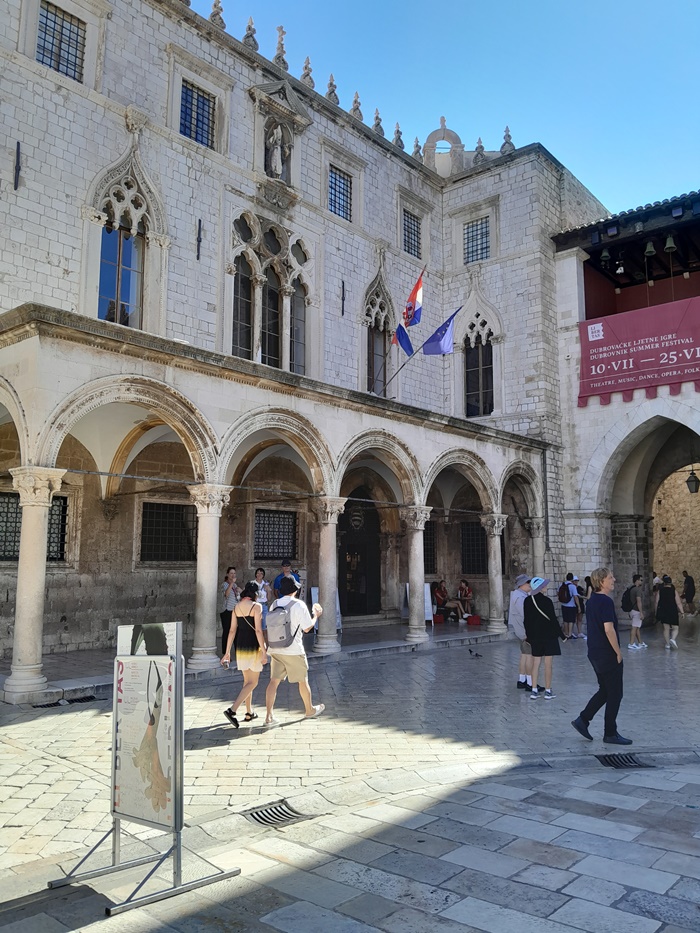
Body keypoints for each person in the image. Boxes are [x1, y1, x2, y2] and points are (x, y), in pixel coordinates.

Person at [571, 566, 631, 745]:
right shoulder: (605, 602)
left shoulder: (592, 601)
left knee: (605, 690)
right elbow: (608, 629)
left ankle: (583, 720)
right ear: (602, 581)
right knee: (615, 694)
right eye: (611, 578)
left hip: (595, 652)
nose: (614, 580)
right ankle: (610, 733)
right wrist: (618, 652)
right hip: (607, 654)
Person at [265, 576, 324, 725]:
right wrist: (315, 616)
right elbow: (307, 628)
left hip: (275, 648)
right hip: (294, 649)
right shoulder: (299, 605)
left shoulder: (274, 604)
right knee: (303, 681)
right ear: (295, 590)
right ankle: (309, 710)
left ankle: (268, 716)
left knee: (273, 682)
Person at [220, 582, 268, 727]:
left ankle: (249, 712)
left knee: (247, 682)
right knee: (253, 682)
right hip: (253, 646)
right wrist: (264, 651)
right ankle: (232, 710)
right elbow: (258, 631)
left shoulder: (236, 607)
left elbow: (232, 631)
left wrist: (227, 652)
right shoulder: (256, 606)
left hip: (240, 646)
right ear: (255, 594)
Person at [523, 577, 566, 700]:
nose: (546, 587)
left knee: (536, 663)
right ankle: (547, 690)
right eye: (544, 585)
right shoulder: (547, 601)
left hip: (535, 636)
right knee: (548, 664)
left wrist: (529, 637)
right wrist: (562, 636)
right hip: (549, 636)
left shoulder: (527, 601)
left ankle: (534, 690)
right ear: (540, 588)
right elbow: (553, 620)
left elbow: (526, 621)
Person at [508, 574, 539, 691]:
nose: (530, 585)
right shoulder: (520, 597)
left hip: (521, 629)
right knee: (529, 656)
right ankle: (530, 683)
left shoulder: (518, 595)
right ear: (521, 585)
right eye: (528, 583)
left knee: (524, 655)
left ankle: (522, 680)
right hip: (524, 630)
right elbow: (525, 614)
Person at [655, 574, 683, 650]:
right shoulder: (674, 591)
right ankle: (673, 639)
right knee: (675, 627)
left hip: (663, 610)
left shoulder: (660, 591)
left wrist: (656, 611)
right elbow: (678, 603)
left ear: (664, 583)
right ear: (671, 583)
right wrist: (682, 612)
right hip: (672, 610)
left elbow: (656, 602)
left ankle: (667, 644)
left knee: (666, 628)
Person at [220, 566, 239, 656]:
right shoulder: (225, 584)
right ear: (227, 574)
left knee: (236, 632)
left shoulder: (235, 585)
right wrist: (231, 583)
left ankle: (237, 653)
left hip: (234, 611)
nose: (233, 575)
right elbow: (226, 594)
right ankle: (225, 653)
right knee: (227, 631)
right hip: (226, 610)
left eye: (234, 573)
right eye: (231, 573)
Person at [627, 573, 646, 649]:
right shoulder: (637, 590)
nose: (642, 581)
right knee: (634, 627)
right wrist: (641, 612)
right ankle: (631, 644)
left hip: (631, 610)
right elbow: (639, 601)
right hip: (636, 611)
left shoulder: (631, 588)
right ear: (637, 580)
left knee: (637, 627)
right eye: (641, 580)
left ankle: (640, 643)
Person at [561, 572, 580, 638]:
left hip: (563, 605)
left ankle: (566, 633)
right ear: (572, 578)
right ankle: (569, 634)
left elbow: (558, 592)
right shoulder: (572, 586)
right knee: (571, 620)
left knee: (565, 620)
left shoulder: (562, 585)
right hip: (571, 605)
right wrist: (578, 606)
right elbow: (575, 597)